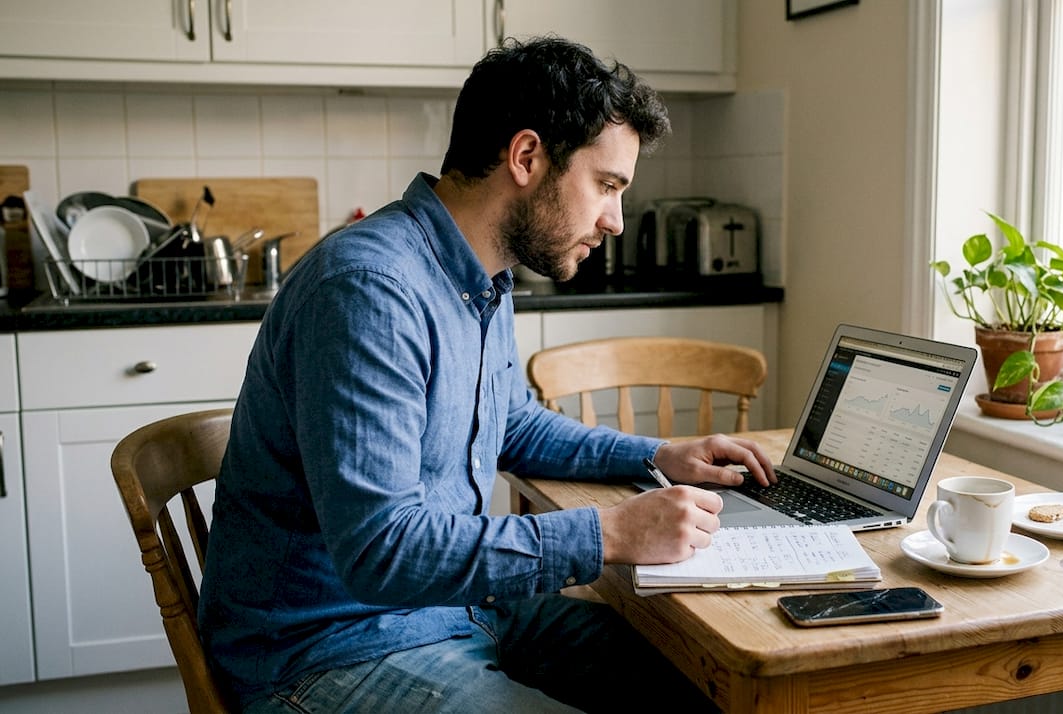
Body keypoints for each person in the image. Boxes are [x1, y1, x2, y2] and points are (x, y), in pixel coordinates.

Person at [197, 36, 776, 713]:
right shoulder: (368, 289)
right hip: (329, 647)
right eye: (607, 185)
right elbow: (381, 550)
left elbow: (507, 419)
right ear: (526, 156)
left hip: (457, 609)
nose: (615, 220)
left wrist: (657, 454)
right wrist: (610, 534)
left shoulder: (483, 276)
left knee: (704, 686)